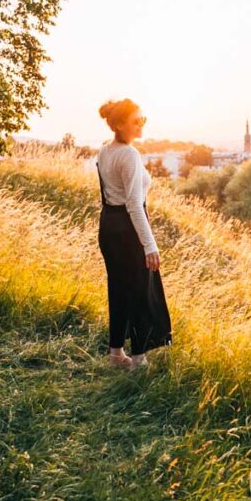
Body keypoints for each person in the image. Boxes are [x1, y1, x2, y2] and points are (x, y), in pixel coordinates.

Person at [96, 98, 173, 370]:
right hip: (128, 227)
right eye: (135, 120)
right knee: (141, 291)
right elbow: (133, 205)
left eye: (143, 118)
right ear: (119, 124)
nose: (141, 124)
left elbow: (112, 195)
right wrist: (150, 245)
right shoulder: (129, 154)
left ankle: (117, 354)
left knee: (118, 289)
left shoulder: (105, 150)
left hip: (108, 225)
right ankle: (138, 360)